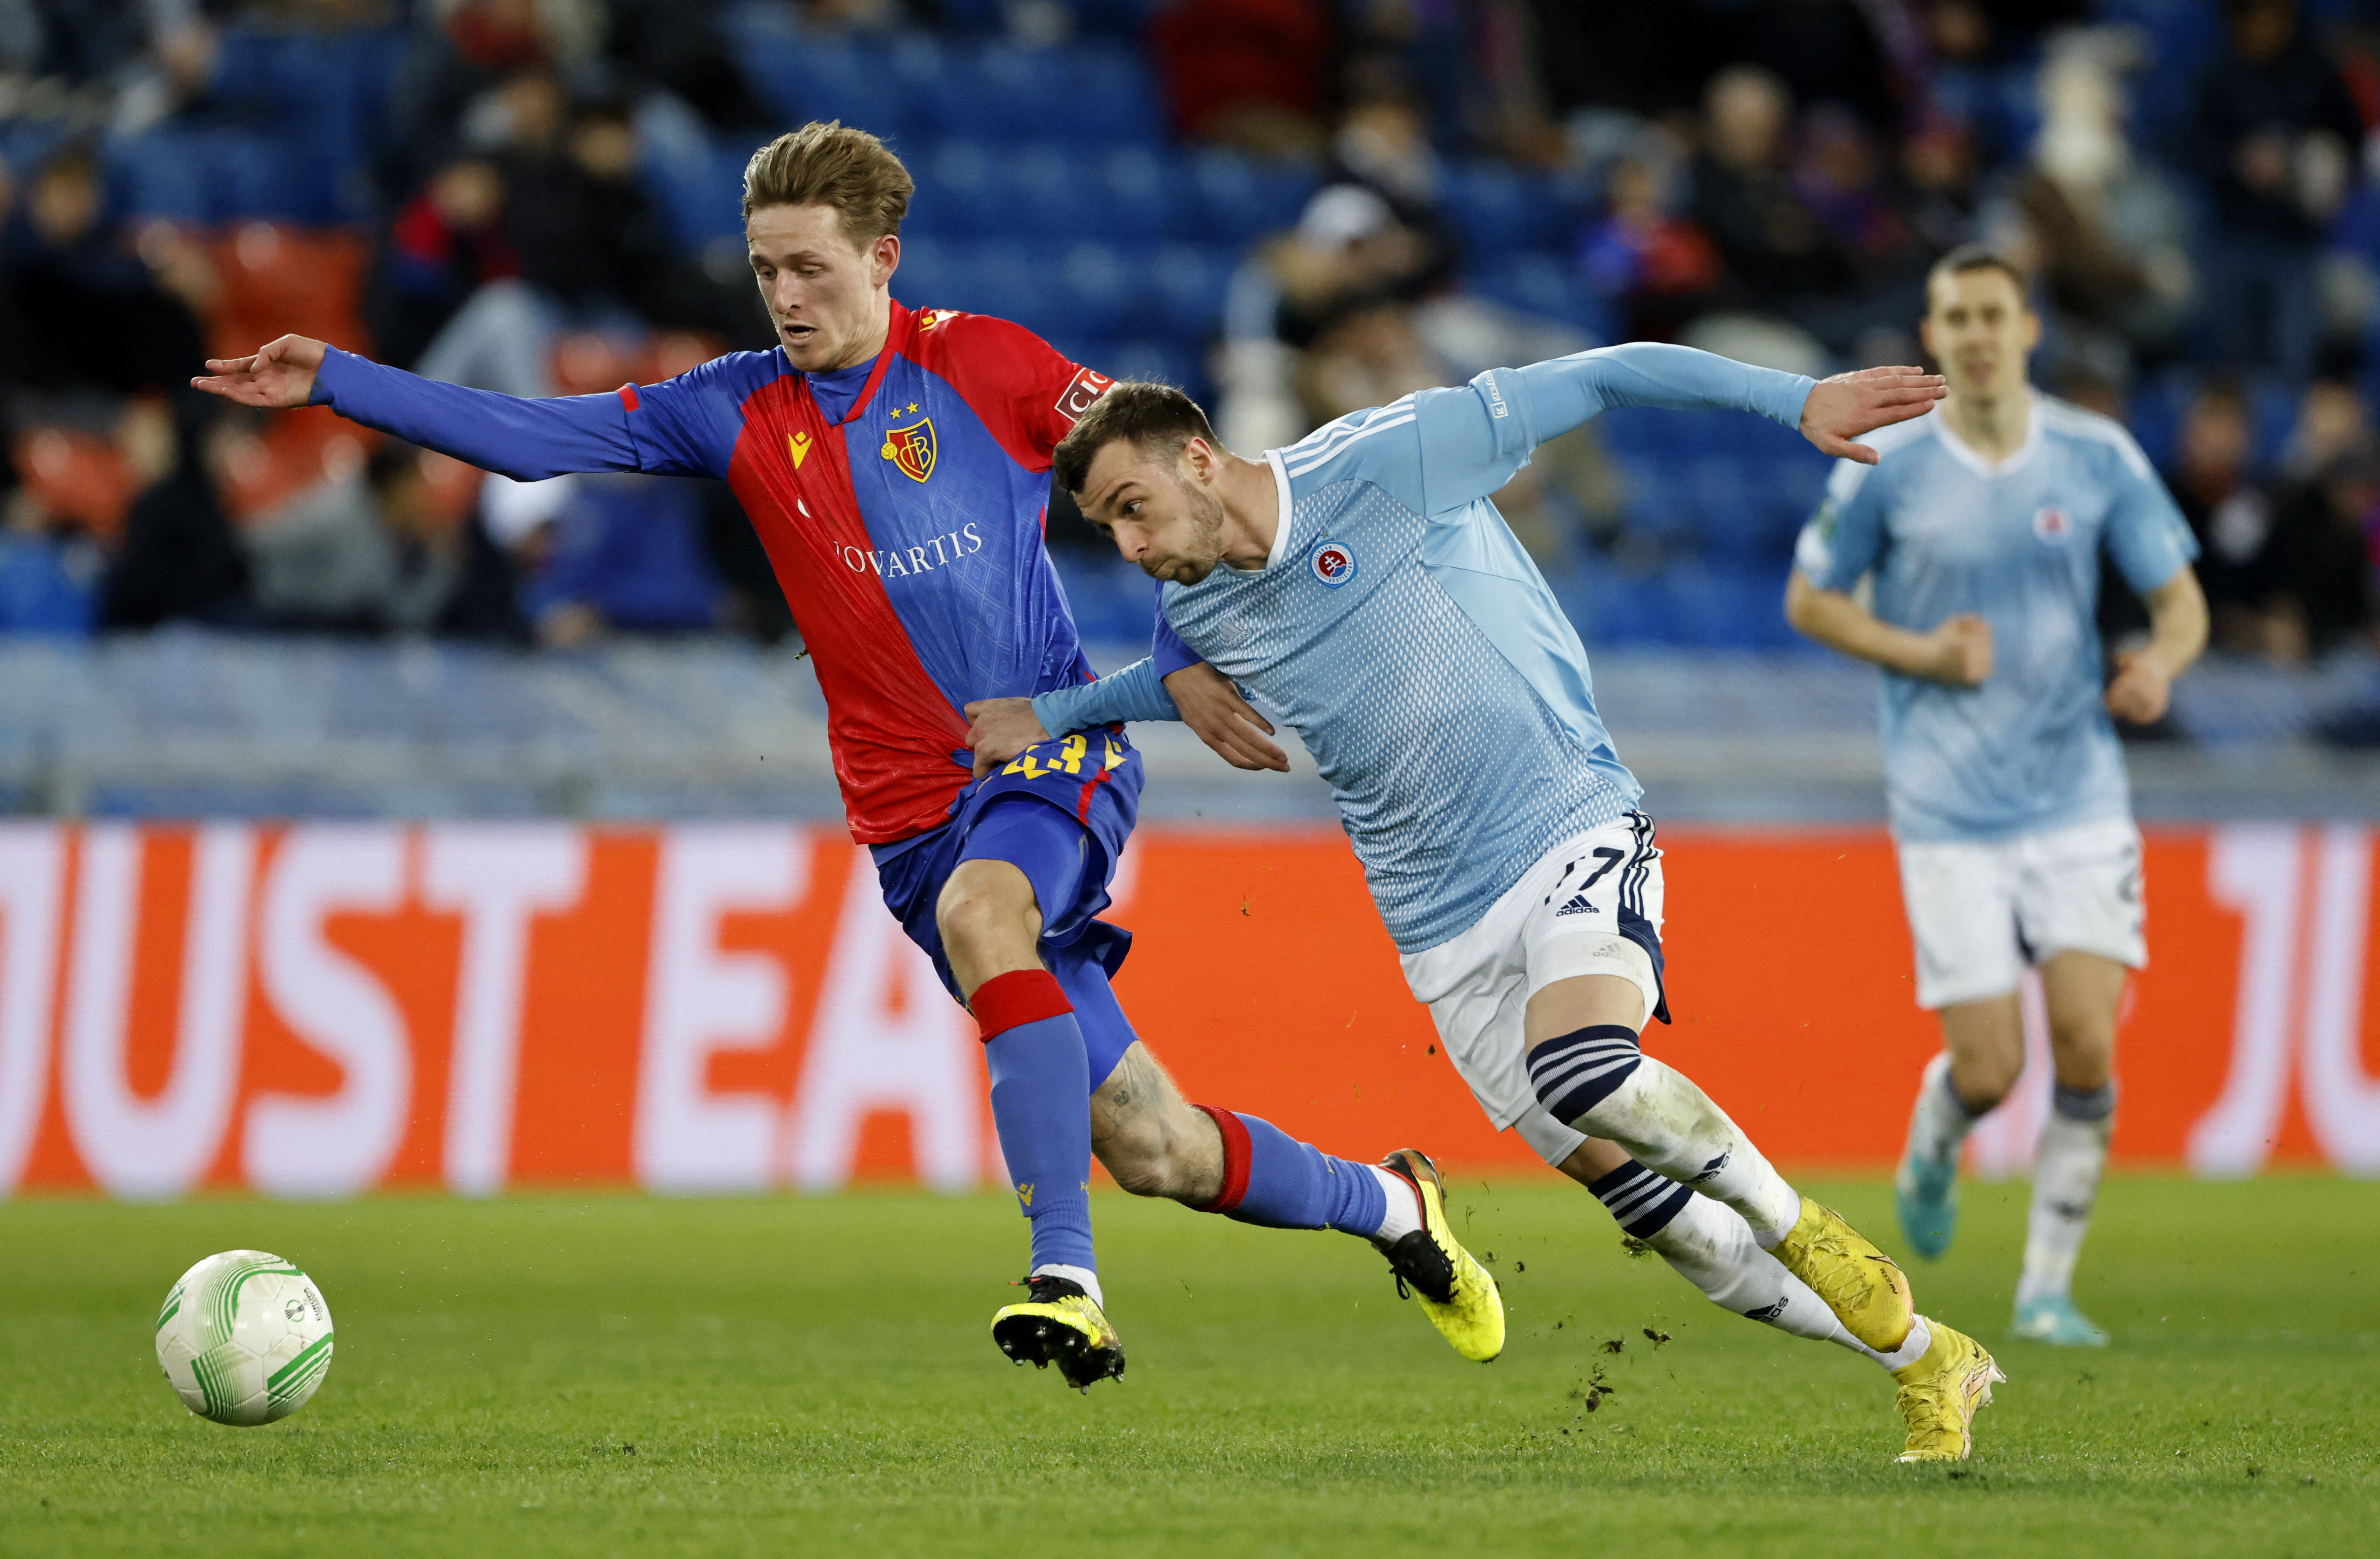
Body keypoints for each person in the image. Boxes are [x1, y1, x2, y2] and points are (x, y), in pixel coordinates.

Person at [193, 121, 1496, 1392]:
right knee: (1154, 1146)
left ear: (882, 259)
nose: (785, 296)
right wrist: (342, 382)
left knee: (995, 912)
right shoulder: (734, 408)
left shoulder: (983, 364)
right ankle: (1391, 1207)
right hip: (909, 822)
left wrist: (1171, 669)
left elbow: (1163, 486)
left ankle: (1064, 1281)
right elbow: (542, 437)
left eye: (809, 266)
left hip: (1049, 753)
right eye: (765, 270)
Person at [967, 347, 2006, 1463]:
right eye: (1107, 531)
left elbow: (1607, 374)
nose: (1129, 547)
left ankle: (1808, 1232)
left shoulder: (1391, 459)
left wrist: (1792, 400)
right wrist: (1069, 707)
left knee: (1583, 1069)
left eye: (1135, 509)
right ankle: (1929, 1361)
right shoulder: (1197, 606)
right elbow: (1166, 664)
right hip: (1437, 934)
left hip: (1567, 826)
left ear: (1202, 462)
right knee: (1667, 1232)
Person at [1782, 247, 2208, 1346]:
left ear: (2026, 330)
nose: (1973, 335)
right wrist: (1920, 654)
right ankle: (1938, 1128)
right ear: (1934, 335)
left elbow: (2180, 603)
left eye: (1991, 315)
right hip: (1944, 804)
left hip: (2075, 792)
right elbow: (1811, 602)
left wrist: (2159, 664)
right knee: (1991, 1064)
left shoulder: (2093, 453)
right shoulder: (1887, 462)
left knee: (2084, 1045)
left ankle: (2046, 1288)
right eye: (1953, 317)